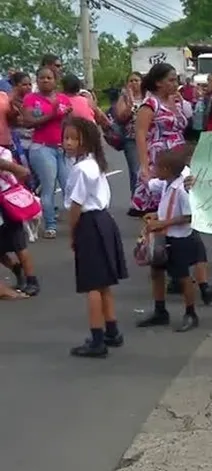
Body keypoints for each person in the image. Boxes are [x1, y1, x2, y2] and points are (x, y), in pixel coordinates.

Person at [62, 117, 128, 358]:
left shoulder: (80, 169)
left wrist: (72, 233)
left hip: (90, 223)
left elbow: (76, 206)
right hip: (104, 221)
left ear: (86, 141)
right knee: (103, 283)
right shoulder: (94, 163)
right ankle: (112, 330)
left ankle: (97, 339)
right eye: (65, 138)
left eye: (73, 138)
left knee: (91, 284)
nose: (68, 143)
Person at [136, 146, 204, 333]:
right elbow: (154, 190)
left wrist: (163, 223)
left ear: (166, 170)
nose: (154, 170)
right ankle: (160, 310)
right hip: (164, 237)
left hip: (179, 238)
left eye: (156, 167)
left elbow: (189, 216)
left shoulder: (182, 190)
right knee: (156, 272)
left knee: (182, 277)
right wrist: (155, 215)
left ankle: (190, 313)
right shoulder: (166, 183)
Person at [132, 63, 188, 215]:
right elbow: (141, 134)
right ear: (158, 82)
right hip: (159, 158)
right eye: (171, 80)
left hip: (177, 158)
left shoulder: (176, 101)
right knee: (160, 207)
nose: (175, 84)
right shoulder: (150, 104)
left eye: (176, 80)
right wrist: (144, 166)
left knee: (178, 204)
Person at [22, 66, 71, 238]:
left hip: (63, 148)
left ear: (55, 80)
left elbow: (69, 122)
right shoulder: (31, 99)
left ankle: (77, 223)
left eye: (49, 78)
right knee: (49, 187)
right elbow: (27, 122)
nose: (45, 80)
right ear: (37, 80)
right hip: (42, 147)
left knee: (69, 185)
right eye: (42, 78)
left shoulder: (64, 99)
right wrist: (52, 115)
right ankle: (50, 224)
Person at [0, 148, 39, 295]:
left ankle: (31, 280)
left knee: (19, 244)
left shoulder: (4, 153)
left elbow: (10, 169)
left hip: (7, 203)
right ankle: (16, 268)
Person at [114, 72, 145, 204]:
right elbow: (120, 117)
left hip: (148, 138)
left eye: (136, 80)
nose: (134, 83)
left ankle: (149, 199)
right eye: (131, 81)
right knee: (135, 171)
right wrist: (130, 104)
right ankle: (136, 200)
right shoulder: (124, 98)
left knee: (149, 169)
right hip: (131, 139)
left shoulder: (148, 97)